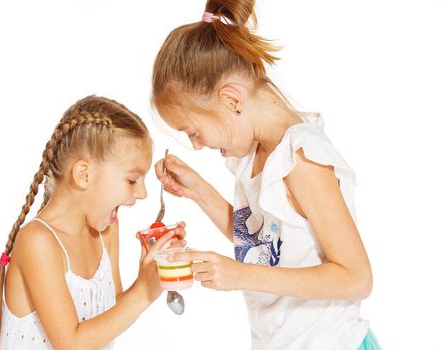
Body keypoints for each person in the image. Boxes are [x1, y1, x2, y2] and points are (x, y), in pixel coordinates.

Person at [150, 1, 380, 349]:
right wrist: (199, 192)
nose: (196, 145)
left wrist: (240, 275)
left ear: (232, 101)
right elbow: (262, 245)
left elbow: (356, 277)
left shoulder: (300, 160)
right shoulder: (256, 155)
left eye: (193, 131)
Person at [0, 95, 184, 350]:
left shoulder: (106, 231)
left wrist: (148, 273)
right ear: (84, 175)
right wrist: (143, 292)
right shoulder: (38, 242)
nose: (143, 193)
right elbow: (72, 343)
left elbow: (110, 317)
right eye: (132, 180)